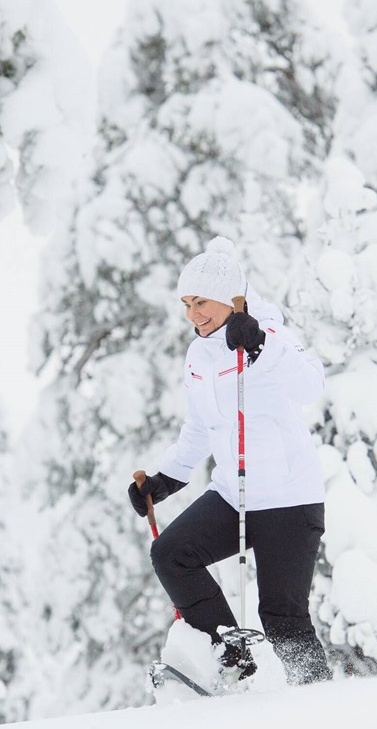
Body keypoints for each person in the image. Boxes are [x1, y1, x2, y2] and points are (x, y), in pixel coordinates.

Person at [127, 237, 332, 686]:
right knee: (172, 554)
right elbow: (201, 426)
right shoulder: (199, 355)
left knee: (282, 616)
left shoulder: (270, 334)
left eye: (201, 301)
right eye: (186, 303)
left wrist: (259, 347)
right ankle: (233, 661)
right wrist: (167, 478)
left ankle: (317, 697)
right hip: (233, 495)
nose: (193, 314)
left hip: (288, 500)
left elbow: (310, 386)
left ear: (228, 298)